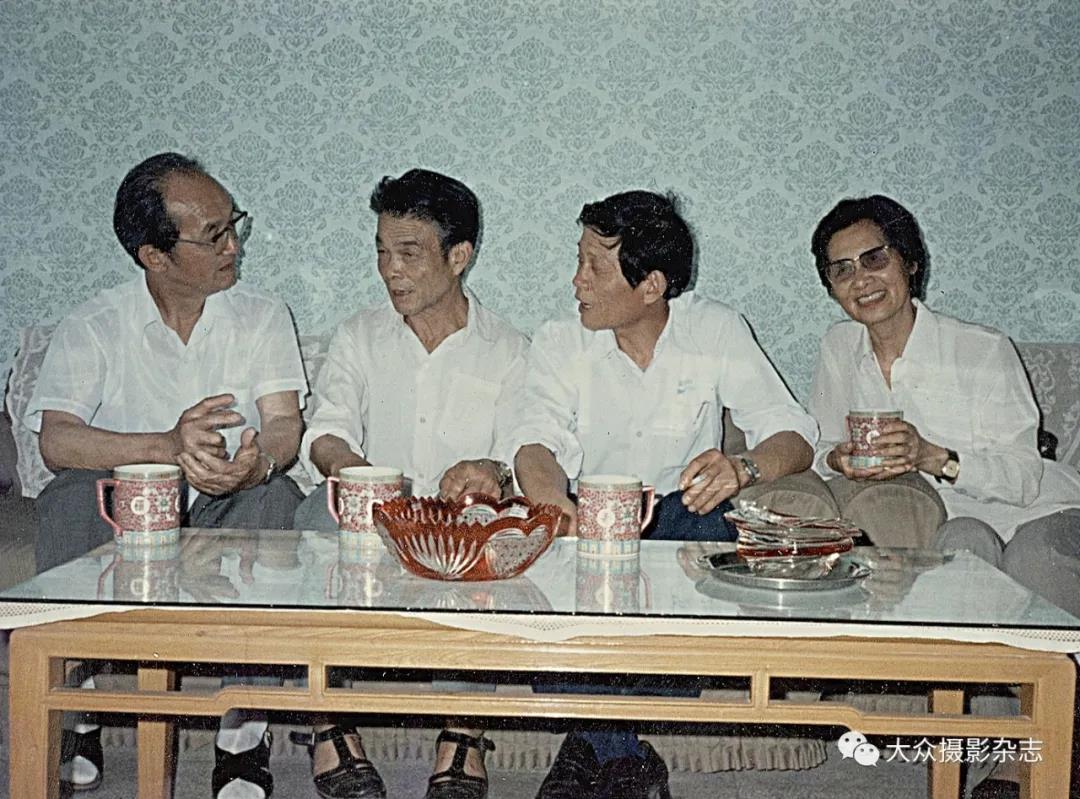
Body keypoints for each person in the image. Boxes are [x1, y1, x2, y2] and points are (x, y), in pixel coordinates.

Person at [505, 190, 819, 799]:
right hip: (588, 519)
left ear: (651, 285)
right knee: (537, 602)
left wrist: (743, 468)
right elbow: (534, 441)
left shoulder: (714, 329)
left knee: (710, 564)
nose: (576, 281)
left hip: (680, 519)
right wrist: (554, 506)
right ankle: (626, 760)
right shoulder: (560, 340)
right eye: (579, 260)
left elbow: (794, 431)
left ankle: (588, 749)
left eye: (594, 266)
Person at [25, 153, 308, 796]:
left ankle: (243, 732)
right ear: (154, 255)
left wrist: (254, 465)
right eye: (214, 235)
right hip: (129, 502)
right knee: (68, 498)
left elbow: (284, 425)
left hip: (224, 498)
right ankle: (78, 706)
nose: (233, 245)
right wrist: (165, 446)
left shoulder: (262, 314)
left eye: (233, 224)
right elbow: (56, 440)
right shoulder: (95, 323)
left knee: (278, 499)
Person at [292, 168, 527, 799]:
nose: (390, 271)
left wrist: (494, 473)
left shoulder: (509, 348)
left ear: (459, 256)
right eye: (381, 252)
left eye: (409, 253)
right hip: (371, 515)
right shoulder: (359, 334)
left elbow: (522, 453)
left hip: (458, 525)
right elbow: (326, 432)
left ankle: (462, 733)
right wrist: (359, 476)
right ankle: (328, 726)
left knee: (490, 539)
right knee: (310, 516)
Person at [807, 194, 1080, 619]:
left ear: (910, 262)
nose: (861, 280)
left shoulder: (981, 349)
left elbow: (1024, 480)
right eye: (842, 270)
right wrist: (837, 459)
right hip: (949, 521)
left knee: (1033, 560)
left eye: (875, 259)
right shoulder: (839, 347)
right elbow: (817, 447)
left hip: (1038, 509)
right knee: (960, 550)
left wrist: (931, 456)